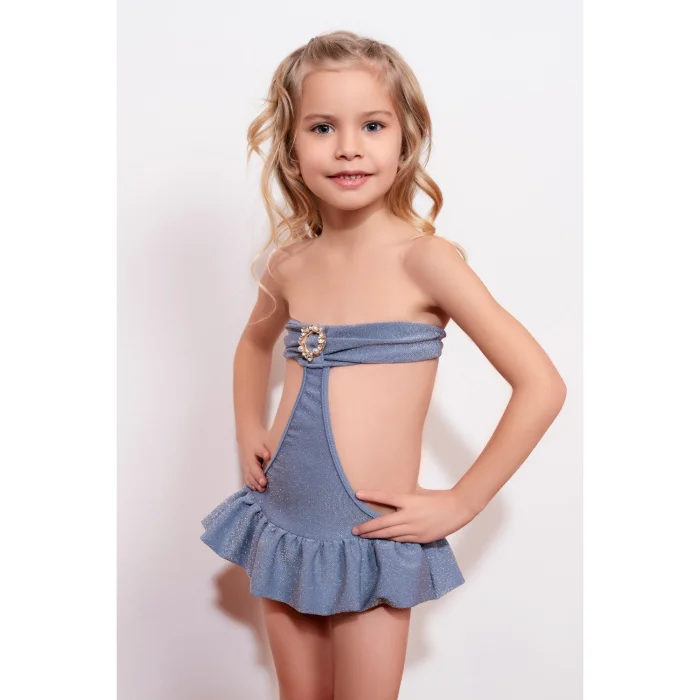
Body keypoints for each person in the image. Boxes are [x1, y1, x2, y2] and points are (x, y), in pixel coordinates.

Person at [201, 29, 567, 700]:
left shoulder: (426, 261)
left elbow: (541, 385)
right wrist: (248, 424)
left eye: (372, 125)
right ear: (291, 149)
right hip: (280, 518)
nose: (348, 147)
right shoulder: (290, 264)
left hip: (370, 536)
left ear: (406, 141)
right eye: (322, 127)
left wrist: (463, 500)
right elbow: (253, 346)